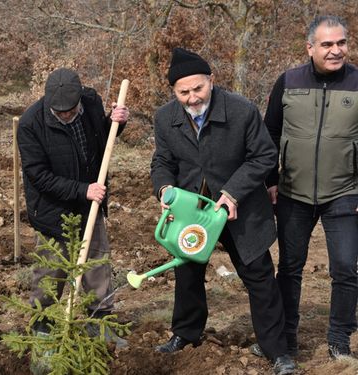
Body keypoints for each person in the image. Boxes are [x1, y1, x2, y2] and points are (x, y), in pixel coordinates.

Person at [150, 48, 295, 375]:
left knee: (259, 277)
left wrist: (233, 192)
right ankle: (185, 333)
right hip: (192, 210)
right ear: (174, 92)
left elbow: (263, 156)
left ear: (211, 81)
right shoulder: (165, 118)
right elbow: (162, 162)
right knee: (187, 274)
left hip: (239, 210)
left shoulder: (241, 110)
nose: (191, 98)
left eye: (197, 88)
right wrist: (164, 189)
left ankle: (277, 350)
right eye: (182, 92)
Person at [264, 15, 358, 359]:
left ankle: (338, 340)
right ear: (310, 48)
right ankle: (285, 338)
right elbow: (269, 133)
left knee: (346, 268)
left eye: (342, 43)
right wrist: (271, 181)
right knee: (289, 266)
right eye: (327, 44)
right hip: (293, 192)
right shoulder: (288, 81)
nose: (336, 51)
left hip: (345, 192)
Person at [17, 68, 129, 344]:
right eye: (59, 112)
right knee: (52, 268)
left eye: (70, 110)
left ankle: (99, 322)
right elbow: (38, 176)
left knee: (97, 264)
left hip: (91, 202)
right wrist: (83, 190)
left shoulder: (90, 101)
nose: (65, 115)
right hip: (53, 209)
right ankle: (41, 325)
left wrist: (115, 122)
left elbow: (101, 141)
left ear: (79, 99)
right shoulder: (32, 124)